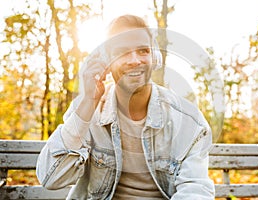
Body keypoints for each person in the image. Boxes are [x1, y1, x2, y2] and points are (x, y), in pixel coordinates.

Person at [36, 14, 215, 199]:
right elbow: (51, 178)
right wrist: (88, 101)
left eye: (143, 51)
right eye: (122, 52)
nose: (134, 60)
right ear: (106, 61)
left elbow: (195, 190)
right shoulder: (87, 110)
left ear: (155, 57)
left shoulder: (188, 120)